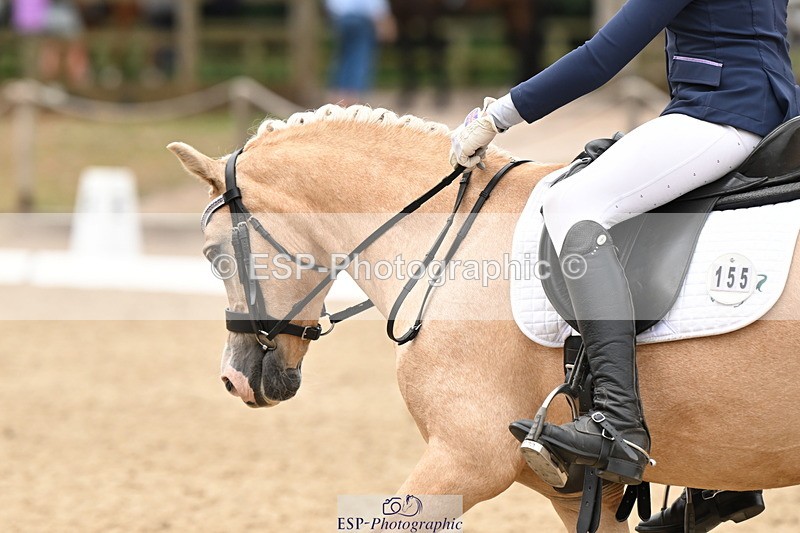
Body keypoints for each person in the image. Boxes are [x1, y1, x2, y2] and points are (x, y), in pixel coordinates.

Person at [449, 0, 799, 530]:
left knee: (571, 205)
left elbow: (603, 55)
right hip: (768, 110)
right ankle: (717, 480)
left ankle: (616, 421)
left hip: (720, 114)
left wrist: (497, 116)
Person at [325, 0, 397, 106]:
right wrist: (384, 20)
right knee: (360, 57)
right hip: (362, 20)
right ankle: (353, 96)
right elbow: (375, 6)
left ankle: (338, 94)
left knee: (343, 56)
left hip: (342, 19)